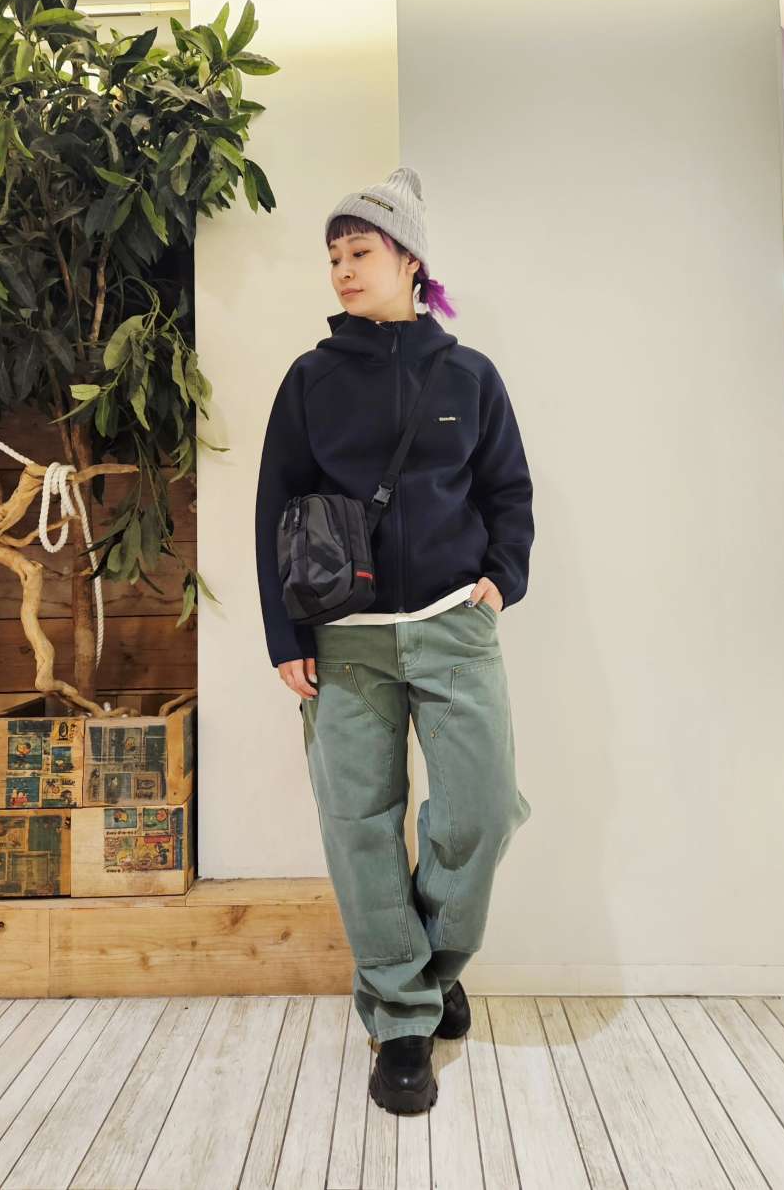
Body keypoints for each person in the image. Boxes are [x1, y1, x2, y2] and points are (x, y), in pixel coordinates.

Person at [254, 166, 533, 1116]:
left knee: (482, 809)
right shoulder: (310, 379)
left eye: (360, 250)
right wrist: (283, 631)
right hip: (344, 641)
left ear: (410, 259)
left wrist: (505, 574)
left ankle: (431, 965)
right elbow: (275, 504)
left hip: (455, 625)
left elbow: (507, 489)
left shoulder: (469, 375)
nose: (342, 268)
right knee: (358, 822)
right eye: (333, 255)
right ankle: (404, 1018)